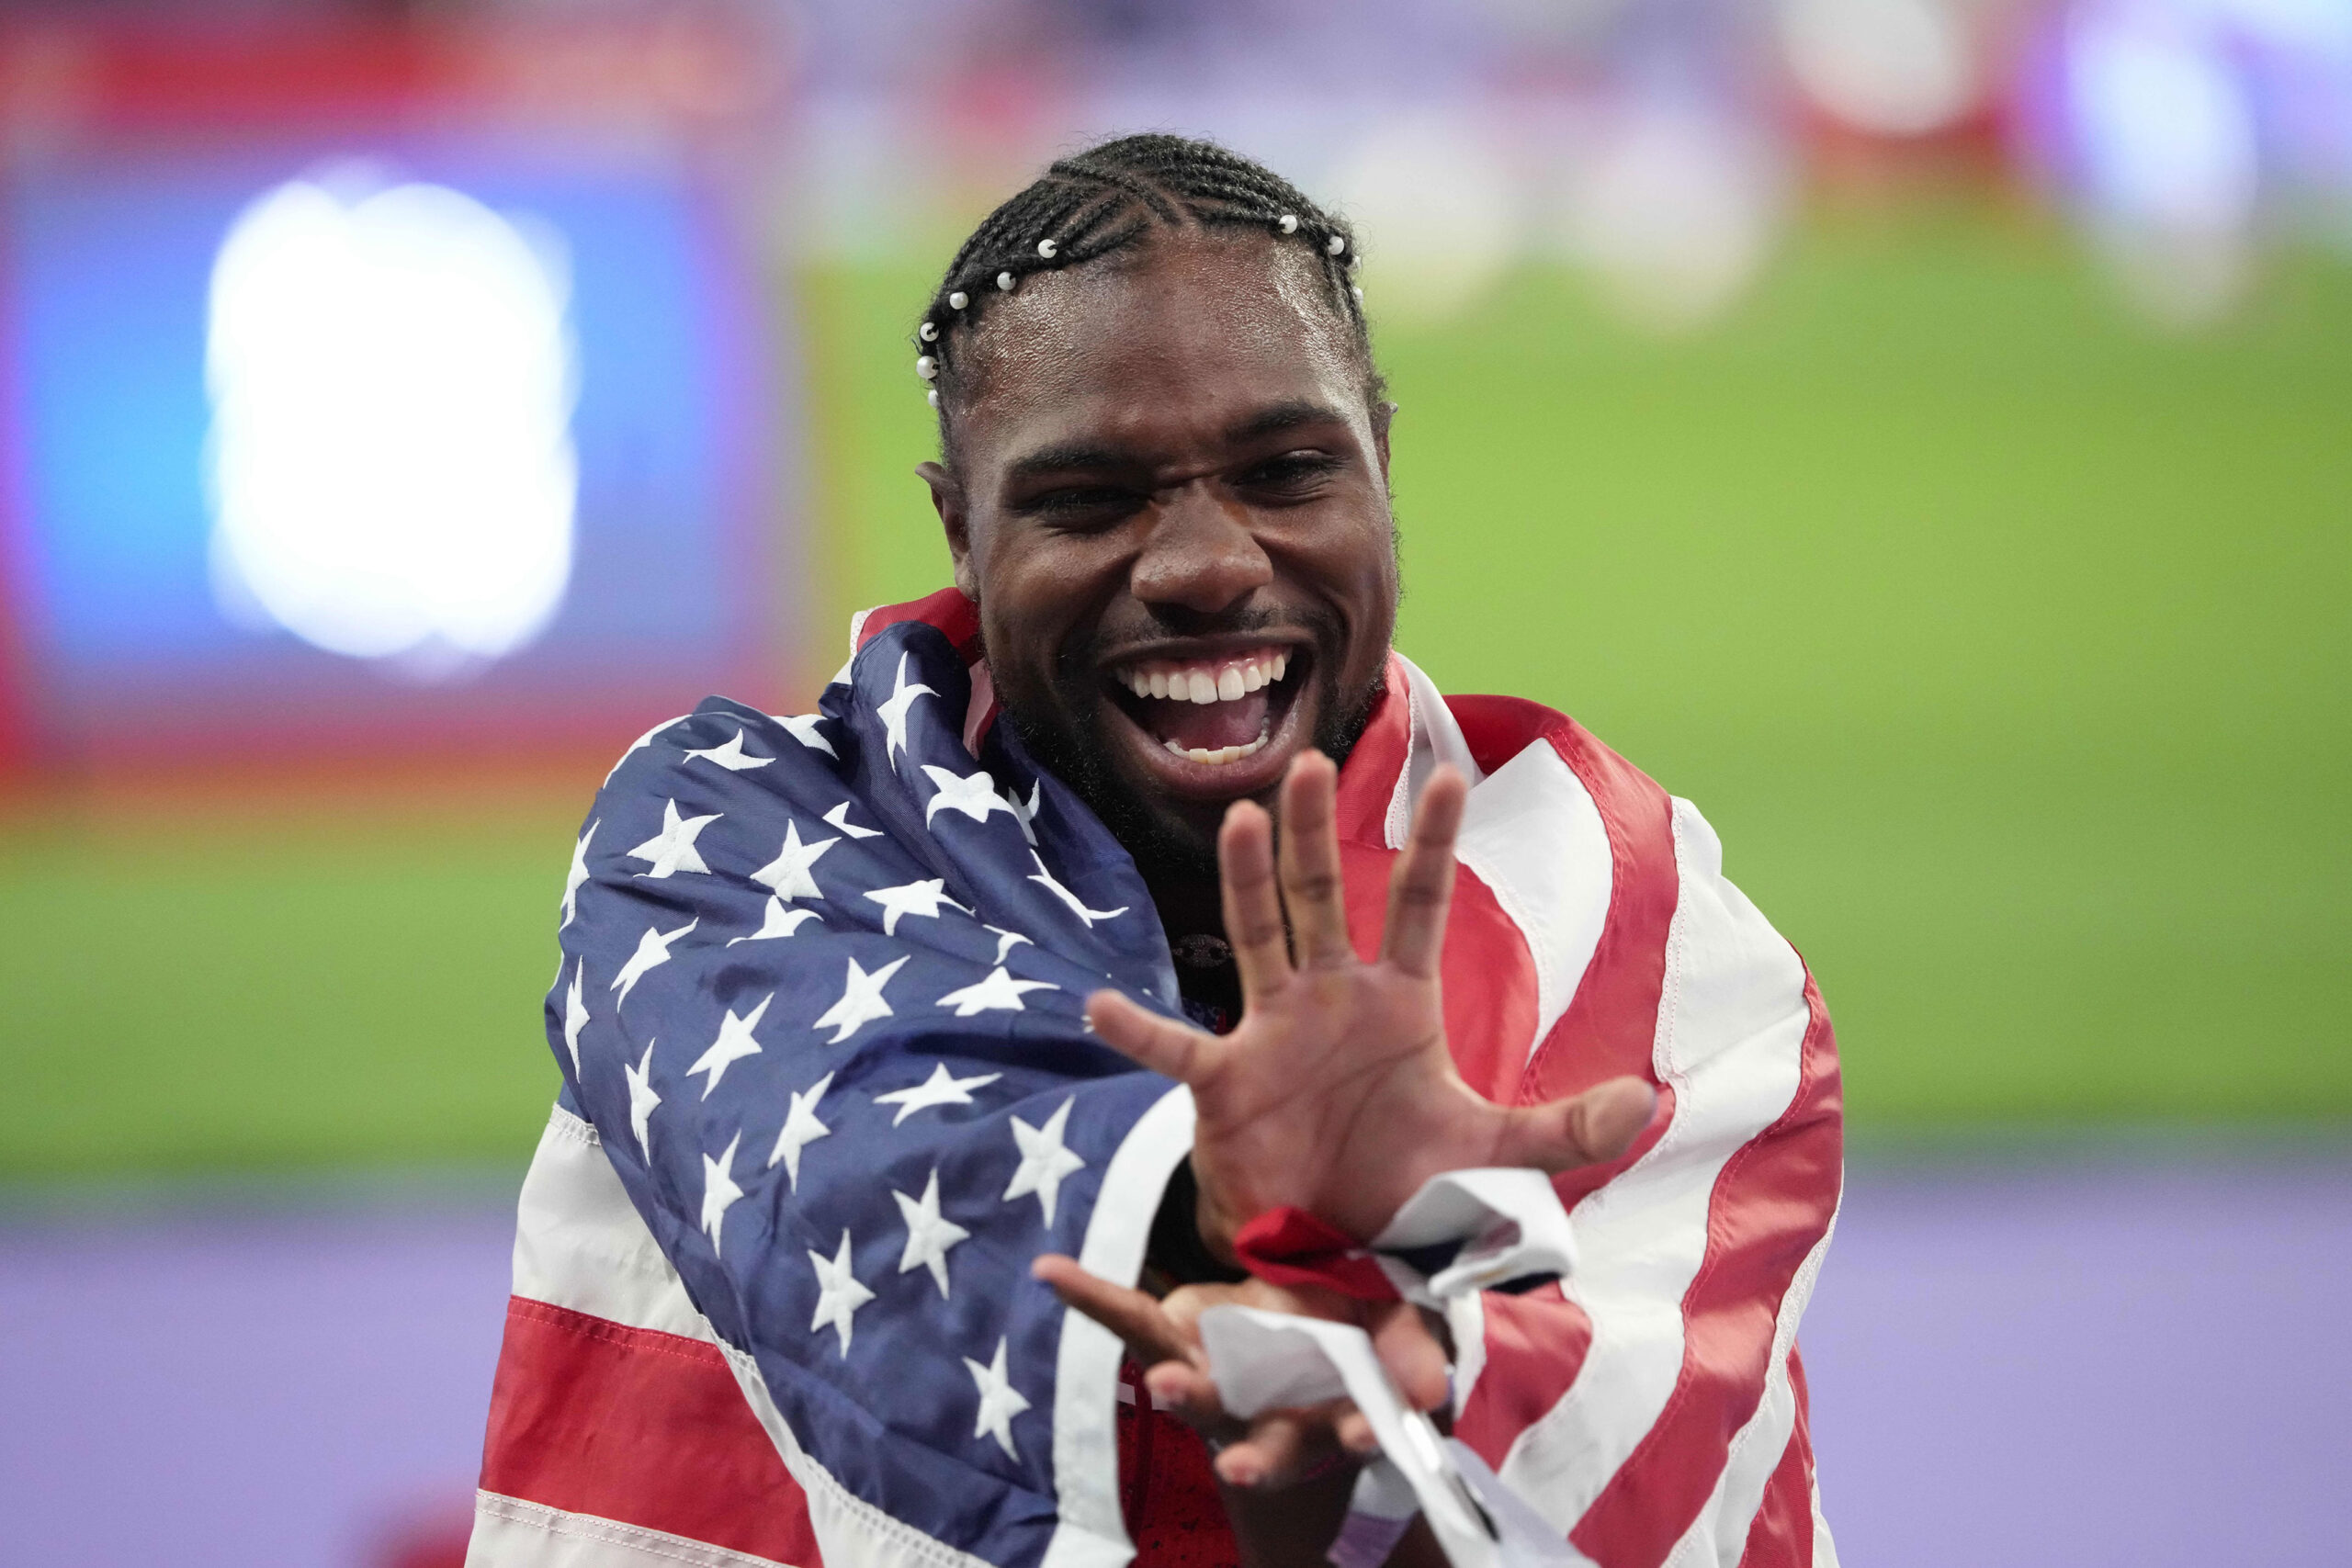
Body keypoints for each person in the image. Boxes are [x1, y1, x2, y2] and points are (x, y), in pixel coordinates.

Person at [467, 135, 1843, 1568]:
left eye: (1289, 468)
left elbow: (1605, 1505)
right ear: (963, 528)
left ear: (1381, 460)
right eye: (1089, 498)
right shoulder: (730, 840)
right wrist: (1226, 1199)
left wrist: (1363, 1410)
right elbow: (863, 1163)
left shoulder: (1625, 912)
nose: (1205, 565)